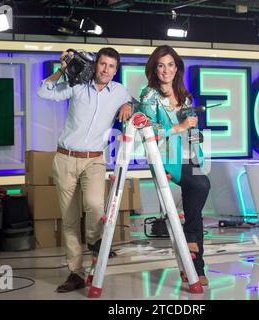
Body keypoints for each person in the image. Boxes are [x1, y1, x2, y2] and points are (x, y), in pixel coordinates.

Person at [38, 47, 133, 292]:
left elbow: (134, 102)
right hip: (65, 159)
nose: (106, 70)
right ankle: (75, 273)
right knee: (69, 221)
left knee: (94, 205)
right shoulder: (77, 85)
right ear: (96, 64)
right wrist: (61, 69)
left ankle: (94, 240)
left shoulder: (119, 91)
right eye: (103, 64)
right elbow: (44, 91)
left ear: (116, 69)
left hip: (94, 160)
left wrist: (128, 106)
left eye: (112, 66)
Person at [138, 45, 211, 286]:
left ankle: (196, 268)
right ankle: (190, 240)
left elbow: (192, 131)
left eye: (170, 64)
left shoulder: (185, 95)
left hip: (190, 155)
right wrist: (178, 127)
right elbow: (147, 129)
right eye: (161, 65)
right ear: (154, 69)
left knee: (195, 211)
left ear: (177, 67)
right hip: (165, 156)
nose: (166, 70)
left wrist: (194, 133)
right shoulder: (149, 95)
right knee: (202, 186)